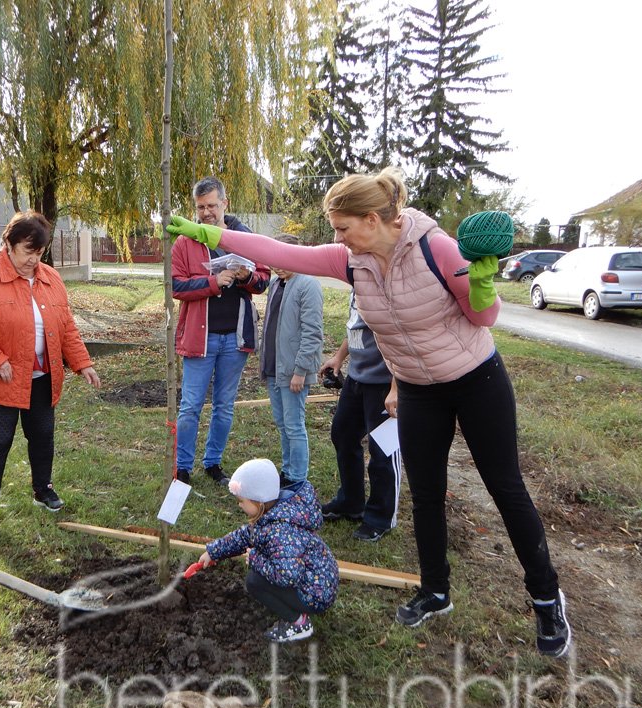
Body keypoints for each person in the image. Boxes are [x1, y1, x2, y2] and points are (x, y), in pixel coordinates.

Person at [167, 167, 572, 658]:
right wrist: (211, 233)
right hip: (420, 389)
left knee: (505, 488)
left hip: (474, 379)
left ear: (375, 219)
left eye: (343, 227)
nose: (337, 238)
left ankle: (547, 598)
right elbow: (283, 253)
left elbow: (482, 318)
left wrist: (484, 289)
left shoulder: (435, 248)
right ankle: (435, 590)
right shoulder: (353, 260)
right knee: (425, 493)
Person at [0, 210, 101, 540]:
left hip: (41, 375)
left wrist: (82, 363)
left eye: (39, 253)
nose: (34, 260)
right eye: (27, 251)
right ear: (9, 243)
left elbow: (65, 326)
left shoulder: (50, 278)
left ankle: (43, 489)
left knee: (43, 433)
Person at [171, 177, 270, 487]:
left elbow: (263, 280)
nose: (206, 213)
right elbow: (175, 286)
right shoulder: (185, 241)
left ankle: (213, 462)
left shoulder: (244, 237)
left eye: (212, 206)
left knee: (224, 407)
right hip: (199, 339)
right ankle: (182, 467)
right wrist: (214, 283)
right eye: (200, 208)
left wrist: (245, 276)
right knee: (189, 407)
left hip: (235, 338)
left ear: (225, 204)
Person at [198, 459, 338, 643]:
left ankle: (299, 623)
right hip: (316, 581)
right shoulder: (273, 515)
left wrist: (255, 559)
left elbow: (288, 576)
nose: (239, 505)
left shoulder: (279, 531)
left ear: (259, 502)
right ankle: (293, 604)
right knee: (260, 572)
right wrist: (214, 551)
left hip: (317, 593)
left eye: (241, 501)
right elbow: (243, 536)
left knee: (254, 581)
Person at [319, 292, 402, 543]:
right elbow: (356, 327)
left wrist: (397, 388)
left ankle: (382, 516)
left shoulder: (389, 289)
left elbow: (405, 340)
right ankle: (351, 501)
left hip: (385, 384)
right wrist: (338, 357)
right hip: (357, 378)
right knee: (343, 434)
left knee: (384, 451)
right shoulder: (358, 283)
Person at [259, 234, 324, 488]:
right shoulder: (277, 284)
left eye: (284, 258)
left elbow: (312, 333)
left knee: (294, 424)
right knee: (282, 422)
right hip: (276, 367)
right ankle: (287, 470)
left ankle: (297, 477)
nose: (278, 265)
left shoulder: (308, 285)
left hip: (294, 371)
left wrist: (300, 370)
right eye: (275, 259)